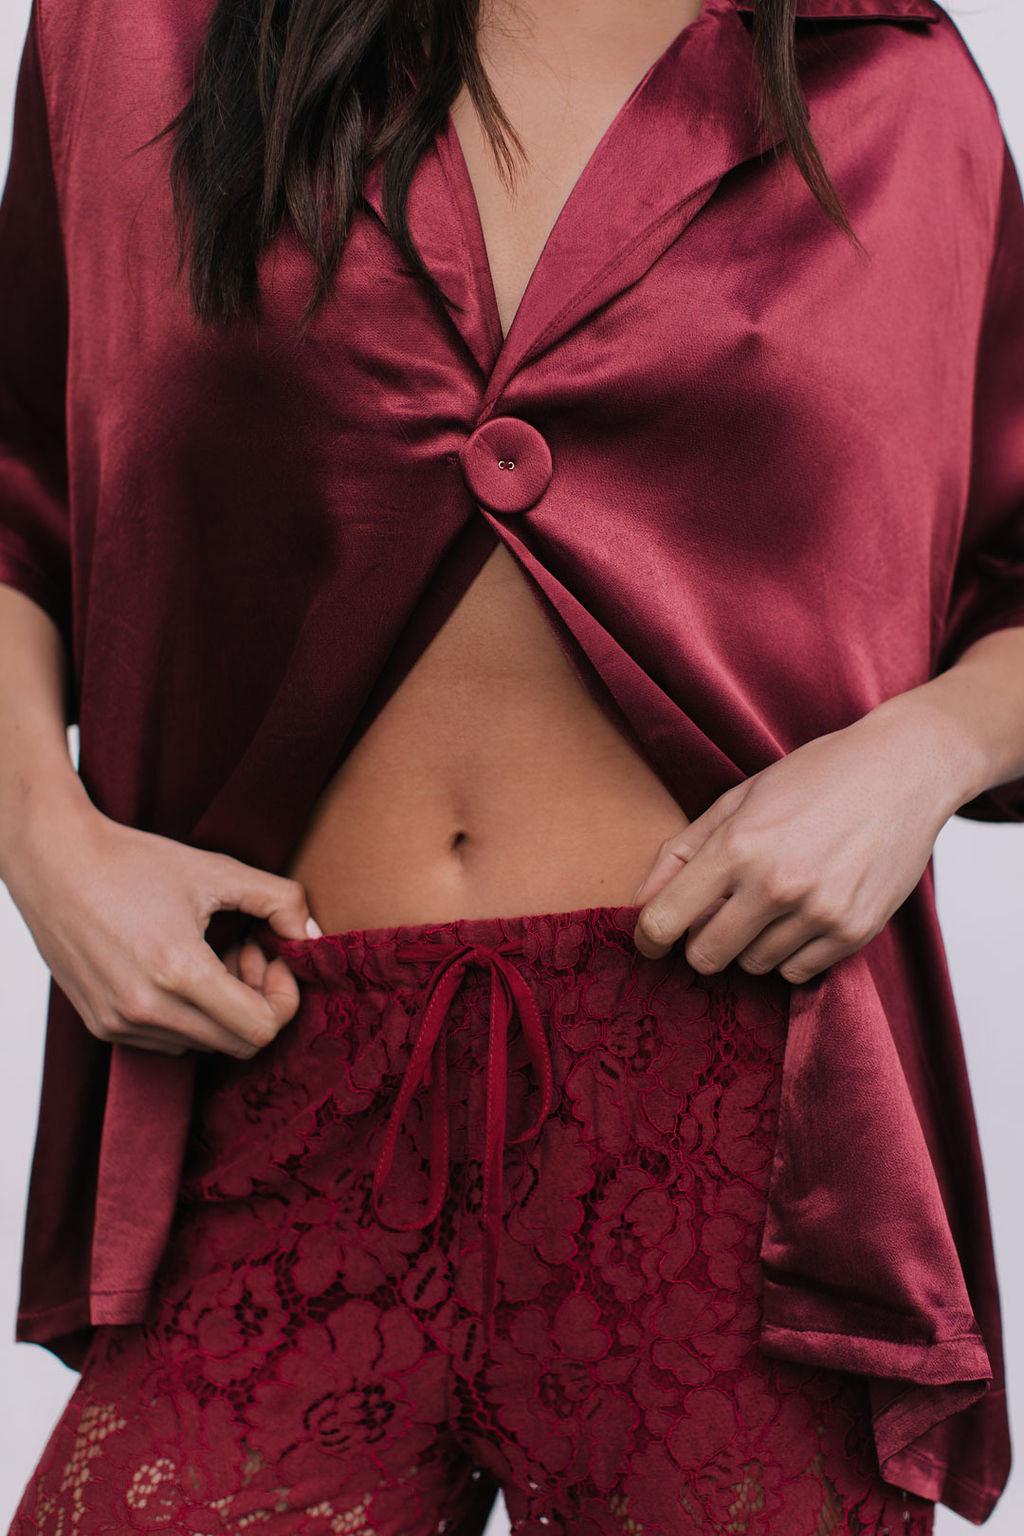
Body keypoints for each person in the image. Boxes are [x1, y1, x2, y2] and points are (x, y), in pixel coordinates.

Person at [1, 0, 1022, 1529]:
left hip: (739, 1148)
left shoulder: (891, 84)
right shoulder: (145, 39)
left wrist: (920, 754)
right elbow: (17, 496)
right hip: (268, 1085)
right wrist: (44, 839)